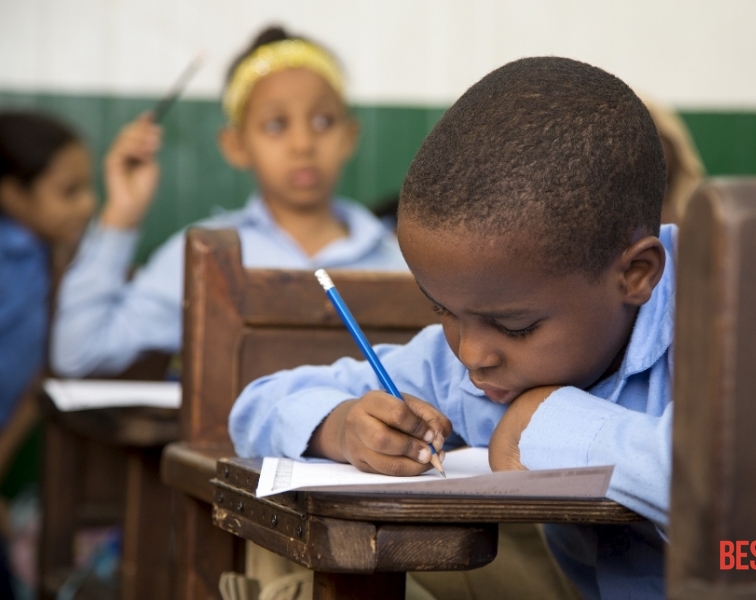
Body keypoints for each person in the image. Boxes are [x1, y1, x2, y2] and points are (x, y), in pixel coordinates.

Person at [230, 57, 674, 599]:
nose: (471, 354)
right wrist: (341, 426)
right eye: (441, 310)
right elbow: (259, 404)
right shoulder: (471, 362)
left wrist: (555, 423)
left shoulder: (735, 326)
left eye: (516, 326)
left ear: (635, 274)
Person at [51, 26, 407, 378]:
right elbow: (78, 353)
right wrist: (121, 216)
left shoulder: (397, 258)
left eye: (322, 121)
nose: (303, 144)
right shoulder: (202, 257)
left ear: (349, 136)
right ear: (235, 145)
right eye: (275, 125)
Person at [0, 109, 96, 598]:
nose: (87, 204)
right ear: (13, 194)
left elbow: (40, 376)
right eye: (69, 191)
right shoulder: (10, 260)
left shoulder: (48, 258)